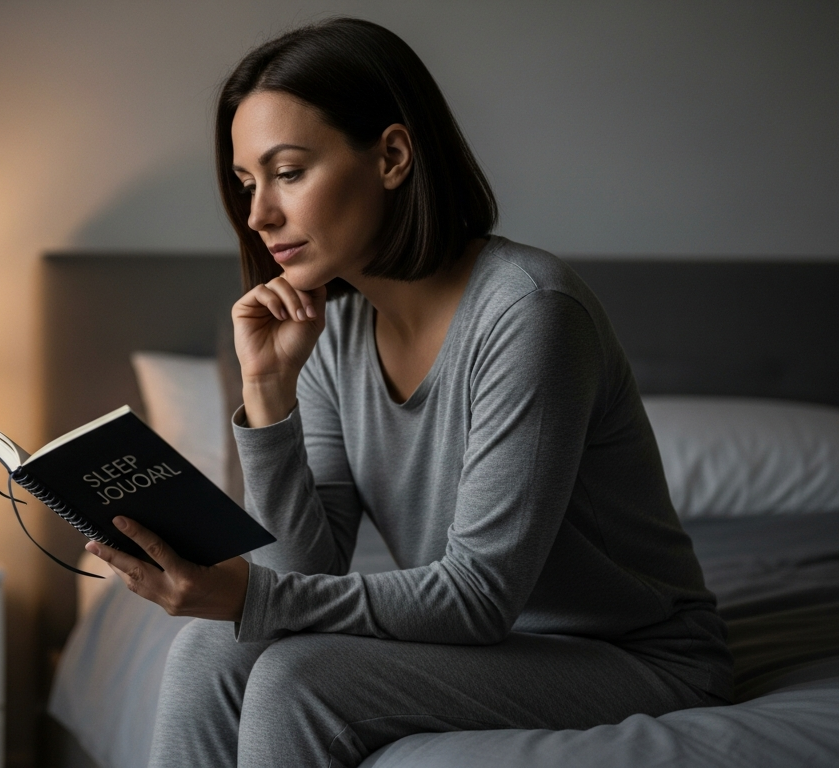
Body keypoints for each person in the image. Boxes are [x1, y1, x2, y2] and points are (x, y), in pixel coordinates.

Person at [81, 17, 732, 768]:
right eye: (247, 183)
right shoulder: (334, 328)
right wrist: (268, 391)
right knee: (205, 651)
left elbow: (479, 598)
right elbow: (306, 573)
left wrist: (254, 598)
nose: (259, 215)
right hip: (490, 645)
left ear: (391, 156)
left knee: (299, 679)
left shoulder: (530, 312)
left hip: (633, 657)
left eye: (288, 172)